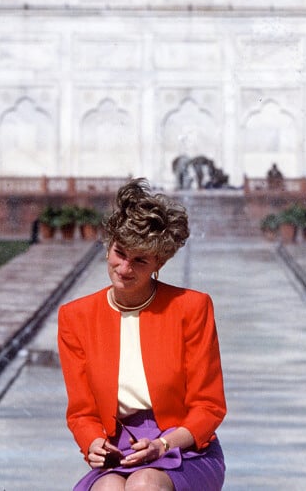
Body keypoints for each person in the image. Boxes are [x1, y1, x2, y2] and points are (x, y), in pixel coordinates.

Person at [58, 178, 226, 491]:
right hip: (117, 449)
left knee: (145, 484)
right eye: (120, 253)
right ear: (108, 246)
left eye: (140, 260)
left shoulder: (192, 307)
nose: (124, 268)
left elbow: (209, 406)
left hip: (184, 447)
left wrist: (162, 444)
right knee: (108, 489)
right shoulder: (75, 316)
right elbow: (82, 412)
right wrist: (93, 443)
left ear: (158, 262)